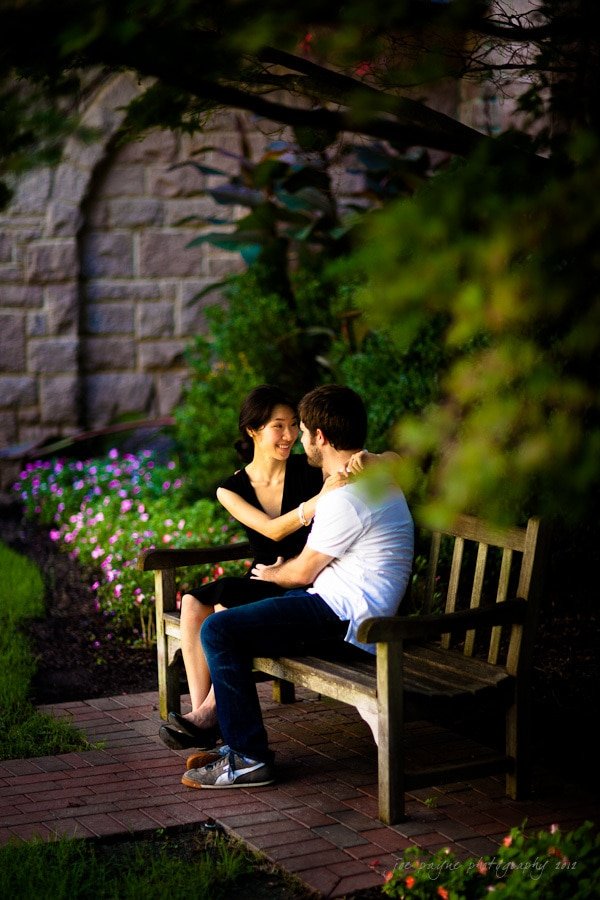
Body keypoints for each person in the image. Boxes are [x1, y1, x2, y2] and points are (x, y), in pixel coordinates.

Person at [181, 384, 414, 789]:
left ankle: (248, 757)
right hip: (340, 610)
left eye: (303, 430)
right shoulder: (374, 482)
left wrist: (271, 574)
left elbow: (301, 572)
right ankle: (230, 736)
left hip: (345, 621)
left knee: (219, 629)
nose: (298, 438)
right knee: (232, 621)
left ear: (320, 438)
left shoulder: (349, 496)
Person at [159, 383, 367, 751]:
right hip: (265, 575)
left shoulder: (310, 466)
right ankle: (203, 711)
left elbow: (370, 459)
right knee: (192, 603)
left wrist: (379, 460)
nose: (289, 436)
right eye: (278, 426)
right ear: (253, 431)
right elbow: (271, 531)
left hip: (303, 577)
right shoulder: (231, 488)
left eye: (293, 426)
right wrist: (319, 501)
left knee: (223, 608)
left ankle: (210, 717)